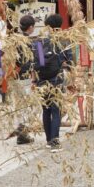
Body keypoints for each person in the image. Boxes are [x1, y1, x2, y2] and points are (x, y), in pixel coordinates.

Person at [25, 13, 73, 152]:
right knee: (56, 110)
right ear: (60, 25)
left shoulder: (39, 41)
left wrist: (34, 80)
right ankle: (55, 142)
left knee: (46, 110)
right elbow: (69, 62)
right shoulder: (63, 40)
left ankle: (48, 140)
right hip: (56, 79)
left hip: (41, 80)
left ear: (47, 26)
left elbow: (36, 64)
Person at [9, 14, 37, 145]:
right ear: (30, 27)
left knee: (19, 105)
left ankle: (20, 131)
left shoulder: (13, 39)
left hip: (14, 75)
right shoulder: (27, 41)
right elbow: (28, 61)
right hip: (24, 76)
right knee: (25, 105)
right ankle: (22, 133)